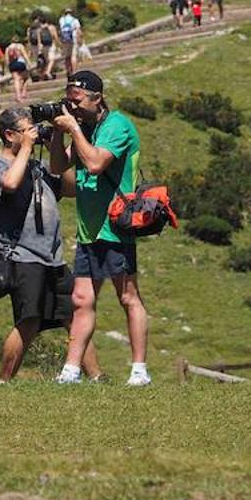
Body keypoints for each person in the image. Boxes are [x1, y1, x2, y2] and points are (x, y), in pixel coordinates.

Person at [49, 70, 151, 387]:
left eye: (78, 102)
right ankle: (71, 370)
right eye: (69, 103)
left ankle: (139, 370)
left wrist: (75, 130)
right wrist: (57, 132)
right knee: (82, 299)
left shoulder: (116, 126)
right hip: (89, 230)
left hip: (116, 227)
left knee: (128, 297)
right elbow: (56, 167)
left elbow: (94, 163)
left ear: (98, 98)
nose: (74, 109)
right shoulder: (86, 129)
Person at [0, 108, 98, 382]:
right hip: (21, 256)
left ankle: (96, 377)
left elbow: (70, 188)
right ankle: (4, 381)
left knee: (75, 316)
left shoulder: (38, 167)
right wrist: (25, 149)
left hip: (53, 257)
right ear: (9, 134)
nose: (33, 134)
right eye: (27, 130)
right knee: (29, 321)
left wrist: (54, 144)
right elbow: (10, 184)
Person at [4, 36, 31, 103]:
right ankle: (23, 93)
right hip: (20, 63)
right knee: (26, 77)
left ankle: (18, 96)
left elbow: (7, 59)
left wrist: (7, 67)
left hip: (12, 65)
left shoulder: (8, 48)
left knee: (16, 80)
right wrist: (29, 62)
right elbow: (24, 54)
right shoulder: (20, 46)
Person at [58, 7, 83, 76]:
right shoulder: (75, 20)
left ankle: (68, 70)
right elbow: (78, 31)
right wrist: (80, 39)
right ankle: (74, 71)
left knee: (67, 56)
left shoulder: (61, 20)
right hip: (73, 39)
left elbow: (60, 30)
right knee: (73, 56)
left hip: (65, 40)